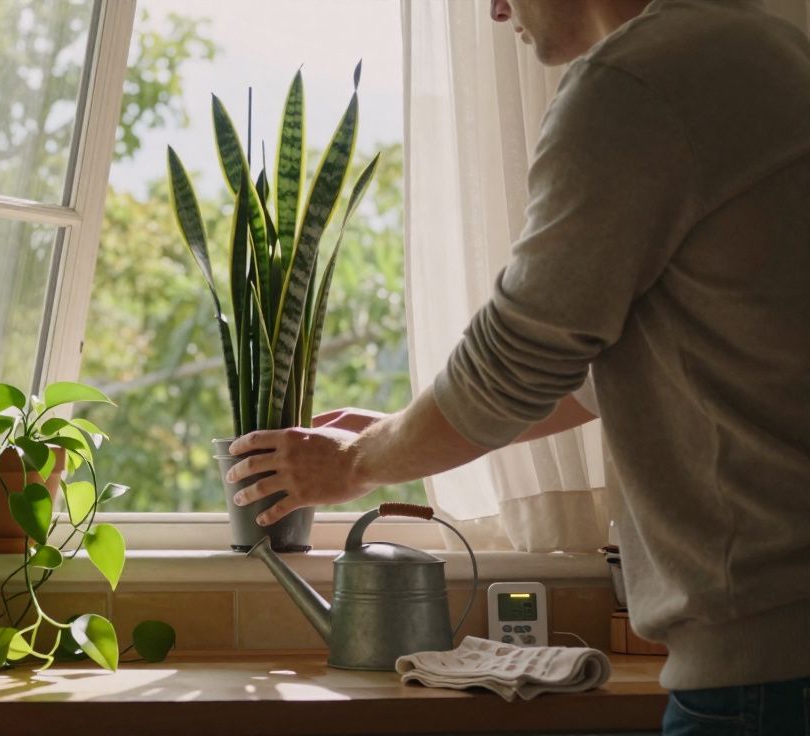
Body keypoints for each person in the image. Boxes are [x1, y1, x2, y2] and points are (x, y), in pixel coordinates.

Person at [224, 0, 810, 733]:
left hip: (768, 670)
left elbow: (518, 356)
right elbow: (604, 370)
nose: (498, 10)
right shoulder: (767, 47)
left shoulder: (634, 83)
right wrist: (393, 432)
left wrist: (353, 464)